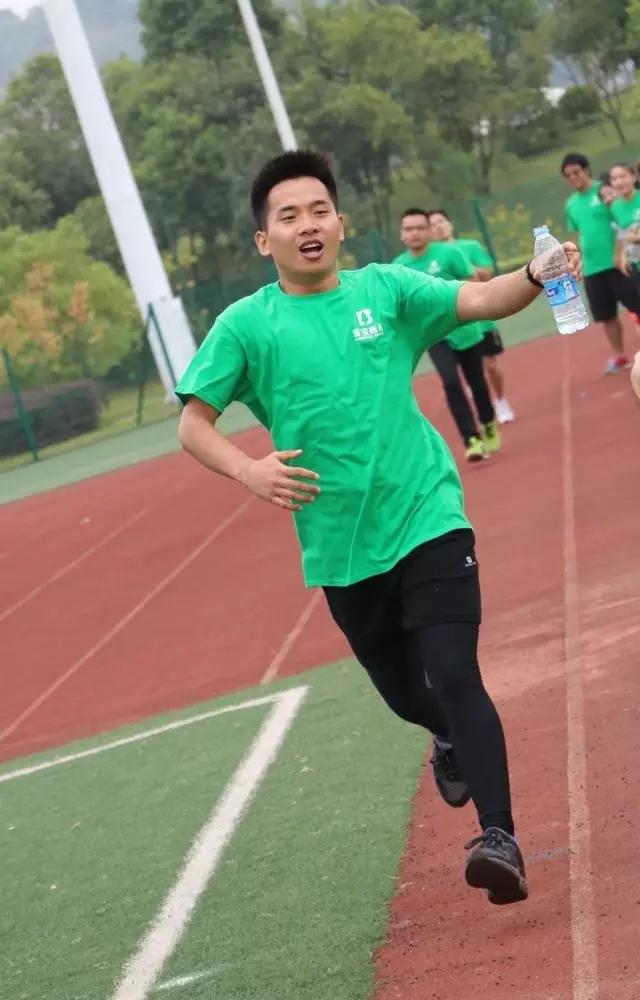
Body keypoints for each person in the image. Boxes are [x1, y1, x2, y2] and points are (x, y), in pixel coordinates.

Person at [176, 149, 581, 905]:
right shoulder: (246, 326)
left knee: (456, 674)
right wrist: (249, 470)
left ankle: (500, 838)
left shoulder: (387, 289)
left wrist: (536, 273)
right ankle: (445, 736)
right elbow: (194, 423)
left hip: (427, 513)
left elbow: (482, 298)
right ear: (264, 240)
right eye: (288, 216)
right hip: (340, 546)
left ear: (340, 222)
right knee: (403, 692)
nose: (307, 225)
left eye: (318, 211)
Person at [393, 208, 501, 461]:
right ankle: (471, 439)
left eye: (420, 228)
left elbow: (472, 281)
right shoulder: (398, 267)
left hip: (465, 329)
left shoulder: (449, 253)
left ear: (429, 231)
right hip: (434, 335)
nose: (415, 233)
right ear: (401, 234)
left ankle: (487, 421)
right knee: (450, 382)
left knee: (476, 381)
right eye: (409, 229)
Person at [428, 209, 515, 424]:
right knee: (467, 370)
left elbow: (486, 273)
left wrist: (461, 264)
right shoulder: (431, 258)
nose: (438, 227)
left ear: (450, 224)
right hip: (455, 322)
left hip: (481, 315)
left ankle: (501, 400)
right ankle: (482, 404)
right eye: (432, 225)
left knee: (491, 364)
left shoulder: (470, 247)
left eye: (441, 221)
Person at [562, 151, 640, 373]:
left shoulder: (605, 190)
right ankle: (619, 356)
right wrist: (575, 260)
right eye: (568, 175)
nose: (573, 178)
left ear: (586, 170)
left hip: (618, 264)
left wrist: (619, 254)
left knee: (637, 306)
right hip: (592, 268)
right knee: (606, 316)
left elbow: (622, 222)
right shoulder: (570, 204)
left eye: (576, 172)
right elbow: (576, 234)